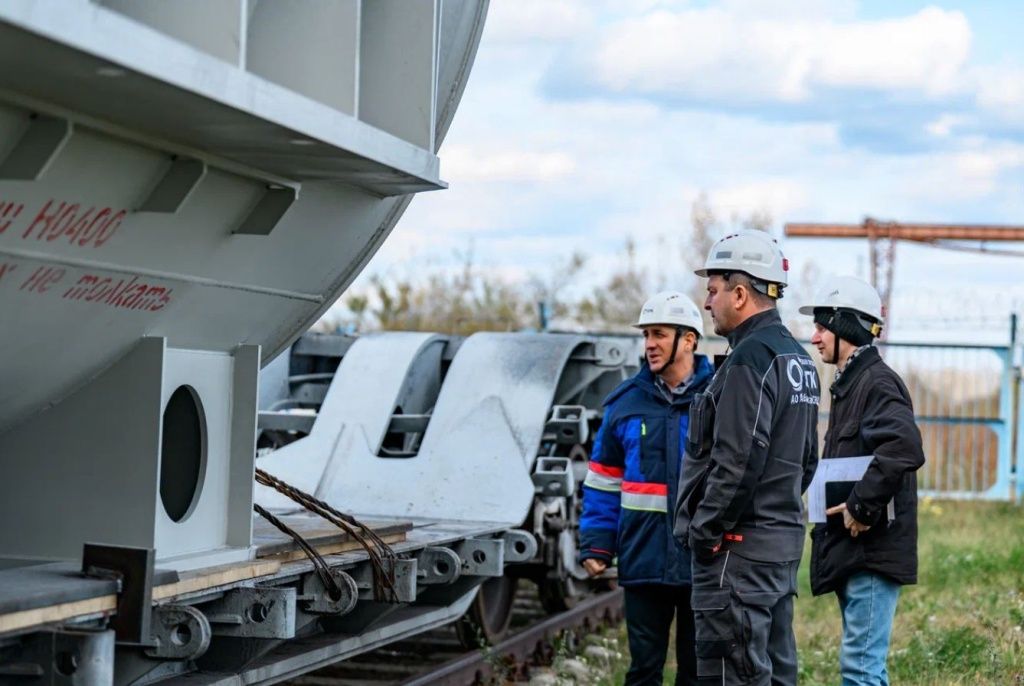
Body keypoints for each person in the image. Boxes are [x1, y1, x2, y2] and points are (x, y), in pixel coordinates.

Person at [673, 230, 820, 685]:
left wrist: (707, 529)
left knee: (729, 675)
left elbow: (738, 461)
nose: (707, 303)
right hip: (777, 548)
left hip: (737, 557)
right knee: (774, 673)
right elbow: (807, 460)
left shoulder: (749, 361)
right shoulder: (798, 360)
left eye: (713, 290)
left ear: (741, 293)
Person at [579, 291, 714, 685]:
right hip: (644, 557)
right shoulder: (624, 404)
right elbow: (603, 481)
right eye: (645, 335)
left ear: (688, 339)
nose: (649, 344)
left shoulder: (721, 396)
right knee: (643, 672)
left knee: (698, 672)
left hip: (702, 559)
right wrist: (597, 543)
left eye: (658, 334)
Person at [800, 275, 925, 686]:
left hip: (872, 554)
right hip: (856, 552)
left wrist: (860, 506)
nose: (814, 337)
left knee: (860, 670)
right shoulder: (851, 385)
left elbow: (903, 447)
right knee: (863, 666)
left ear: (847, 327)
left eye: (822, 326)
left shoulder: (876, 383)